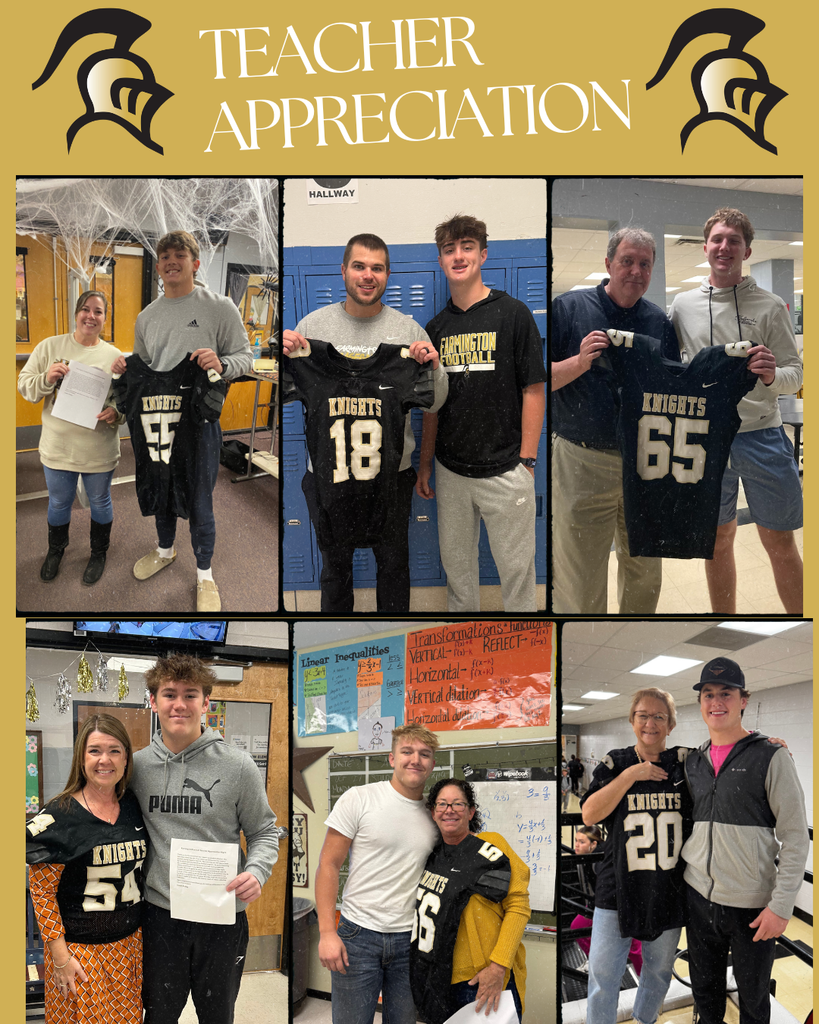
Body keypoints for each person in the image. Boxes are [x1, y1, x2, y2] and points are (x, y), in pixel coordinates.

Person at [284, 233, 447, 613]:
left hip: (392, 478)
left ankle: (392, 644)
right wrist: (283, 357)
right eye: (359, 266)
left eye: (377, 268)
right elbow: (283, 395)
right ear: (344, 271)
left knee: (393, 567)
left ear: (388, 274)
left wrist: (433, 366)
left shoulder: (409, 333)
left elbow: (436, 401)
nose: (367, 275)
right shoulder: (311, 329)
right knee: (335, 570)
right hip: (328, 476)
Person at [130, 653, 279, 1024]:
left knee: (217, 1014)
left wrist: (258, 872)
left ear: (206, 703)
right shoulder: (135, 768)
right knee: (159, 1015)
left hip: (222, 916)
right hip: (160, 915)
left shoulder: (238, 766)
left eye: (190, 694)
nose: (179, 704)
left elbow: (263, 831)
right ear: (153, 701)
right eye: (169, 694)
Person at [670, 208, 803, 614]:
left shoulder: (769, 306)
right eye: (718, 239)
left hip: (761, 435)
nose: (724, 247)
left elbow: (794, 374)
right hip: (704, 440)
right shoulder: (682, 305)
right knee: (716, 540)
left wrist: (769, 377)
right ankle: (720, 621)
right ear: (706, 245)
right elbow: (670, 368)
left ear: (747, 250)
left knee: (778, 541)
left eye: (734, 241)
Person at [111, 230, 252, 612]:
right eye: (165, 257)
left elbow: (246, 358)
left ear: (195, 262)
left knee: (199, 499)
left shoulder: (220, 307)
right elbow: (145, 368)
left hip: (199, 421)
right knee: (162, 489)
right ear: (158, 266)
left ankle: (205, 574)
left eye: (179, 255)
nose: (171, 261)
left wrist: (222, 364)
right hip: (157, 418)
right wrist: (125, 367)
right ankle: (165, 550)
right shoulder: (146, 316)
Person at [416, 215, 547, 612]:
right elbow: (432, 406)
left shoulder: (513, 313)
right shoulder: (435, 328)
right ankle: (465, 654)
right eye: (449, 249)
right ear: (440, 260)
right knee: (458, 575)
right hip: (452, 472)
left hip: (507, 469)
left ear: (483, 254)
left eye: (467, 246)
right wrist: (425, 466)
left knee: (518, 577)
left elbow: (534, 389)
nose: (458, 256)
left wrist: (527, 459)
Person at [551, 228, 680, 614]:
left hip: (646, 461)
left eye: (645, 264)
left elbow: (673, 391)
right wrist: (579, 362)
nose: (636, 271)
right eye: (627, 261)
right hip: (582, 460)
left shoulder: (659, 322)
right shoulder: (569, 309)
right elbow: (537, 382)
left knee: (645, 570)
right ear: (608, 264)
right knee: (582, 575)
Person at [682, 657, 809, 1024]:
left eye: (726, 693)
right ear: (701, 703)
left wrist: (782, 906)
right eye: (708, 694)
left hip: (751, 907)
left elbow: (796, 837)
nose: (716, 701)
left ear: (743, 700)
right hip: (698, 897)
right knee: (705, 993)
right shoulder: (694, 762)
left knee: (753, 999)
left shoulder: (771, 755)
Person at [315, 724, 440, 1024]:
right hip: (357, 936)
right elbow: (328, 865)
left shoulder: (437, 815)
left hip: (411, 941)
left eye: (424, 754)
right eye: (407, 751)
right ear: (392, 758)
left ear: (432, 763)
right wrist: (326, 932)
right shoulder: (359, 798)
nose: (415, 760)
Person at [580, 688, 692, 1024]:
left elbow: (726, 757)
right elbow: (589, 814)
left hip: (667, 888)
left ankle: (646, 1020)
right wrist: (632, 775)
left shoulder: (685, 763)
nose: (650, 722)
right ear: (632, 720)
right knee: (602, 975)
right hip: (617, 889)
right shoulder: (617, 762)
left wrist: (762, 741)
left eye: (659, 716)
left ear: (670, 725)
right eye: (643, 714)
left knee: (658, 972)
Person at [26, 714, 146, 1023]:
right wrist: (60, 956)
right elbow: (41, 893)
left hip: (130, 948)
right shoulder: (59, 815)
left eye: (114, 750)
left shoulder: (133, 804)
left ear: (126, 759)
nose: (104, 760)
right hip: (81, 953)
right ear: (81, 758)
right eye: (94, 750)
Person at [18, 290, 124, 585]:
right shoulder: (49, 347)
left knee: (100, 501)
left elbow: (126, 400)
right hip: (58, 446)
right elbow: (25, 387)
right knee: (59, 502)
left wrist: (116, 412)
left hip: (98, 447)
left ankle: (98, 552)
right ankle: (56, 550)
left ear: (105, 318)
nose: (91, 316)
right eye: (86, 310)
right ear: (76, 313)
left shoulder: (114, 356)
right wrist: (47, 378)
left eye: (98, 311)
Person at [410, 778, 530, 1024]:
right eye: (442, 804)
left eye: (458, 804)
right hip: (440, 978)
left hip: (483, 977)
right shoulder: (432, 855)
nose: (449, 810)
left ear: (471, 811)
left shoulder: (490, 845)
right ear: (433, 812)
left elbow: (518, 906)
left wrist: (498, 967)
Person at [569, 825, 643, 976]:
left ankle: (645, 981)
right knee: (577, 926)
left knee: (635, 947)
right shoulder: (589, 857)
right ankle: (600, 964)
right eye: (576, 840)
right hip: (601, 904)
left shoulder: (600, 860)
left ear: (593, 844)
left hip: (618, 906)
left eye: (582, 842)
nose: (576, 845)